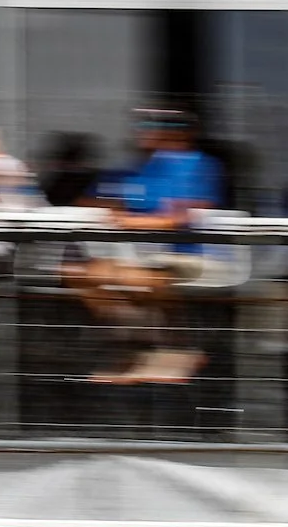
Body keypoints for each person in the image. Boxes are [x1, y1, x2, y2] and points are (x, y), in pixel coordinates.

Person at [66, 107, 224, 385]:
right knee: (77, 273)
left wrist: (129, 220)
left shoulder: (198, 165)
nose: (143, 129)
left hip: (186, 258)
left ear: (179, 131)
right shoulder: (139, 168)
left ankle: (160, 349)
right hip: (139, 255)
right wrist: (109, 208)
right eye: (142, 122)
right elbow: (96, 201)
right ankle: (150, 346)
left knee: (125, 279)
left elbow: (178, 218)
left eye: (153, 123)